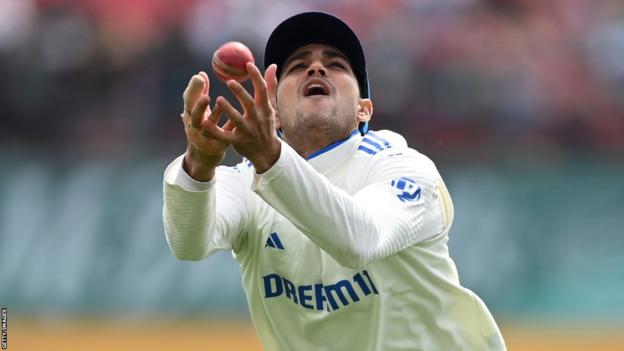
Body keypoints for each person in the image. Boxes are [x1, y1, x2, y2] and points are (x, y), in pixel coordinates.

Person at [163, 11, 506, 350]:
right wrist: (199, 164)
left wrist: (269, 155)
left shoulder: (400, 166)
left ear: (364, 109)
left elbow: (360, 240)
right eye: (297, 66)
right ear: (275, 111)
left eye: (336, 64)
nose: (316, 68)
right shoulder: (245, 181)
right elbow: (189, 244)